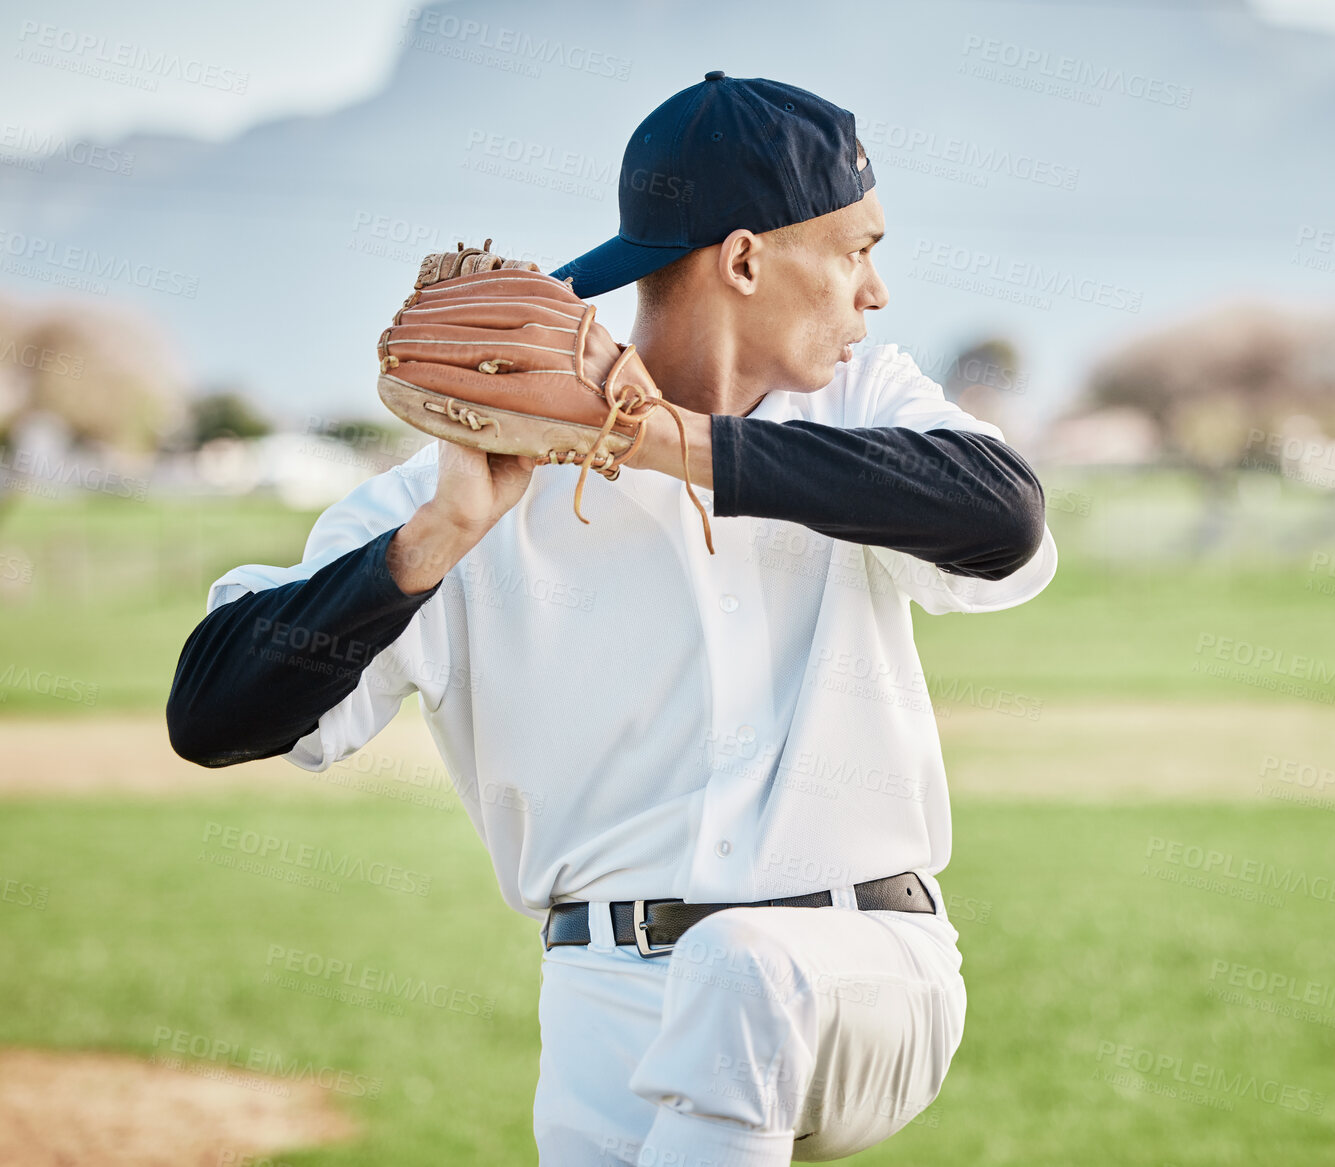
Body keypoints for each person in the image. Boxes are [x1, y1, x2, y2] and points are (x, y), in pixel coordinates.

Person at [167, 72, 1056, 1166]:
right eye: (854, 248)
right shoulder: (470, 482)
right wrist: (434, 539)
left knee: (744, 969)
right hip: (604, 998)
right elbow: (212, 711)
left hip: (863, 969)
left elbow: (1001, 517)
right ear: (744, 258)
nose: (873, 291)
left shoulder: (865, 403)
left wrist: (644, 438)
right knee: (718, 1001)